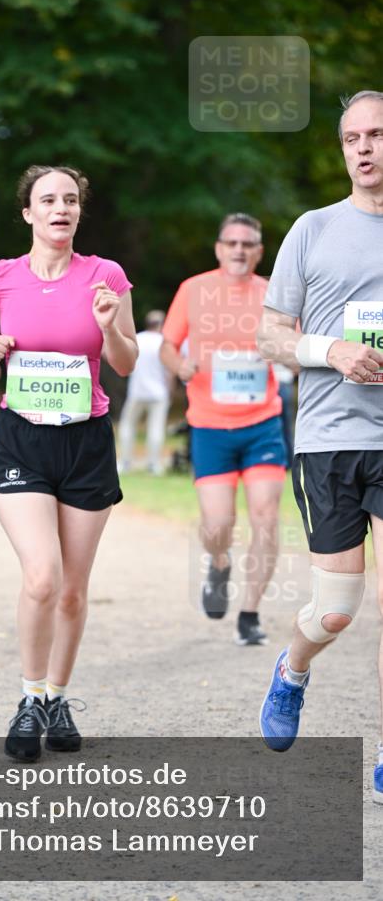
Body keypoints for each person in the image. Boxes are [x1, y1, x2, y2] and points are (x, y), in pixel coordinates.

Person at [0, 165, 137, 761]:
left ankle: (58, 695)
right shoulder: (0, 278)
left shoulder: (104, 276)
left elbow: (128, 361)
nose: (60, 208)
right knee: (42, 576)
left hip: (85, 441)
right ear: (28, 213)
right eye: (47, 200)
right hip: (22, 440)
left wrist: (110, 327)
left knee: (72, 590)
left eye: (70, 199)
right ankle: (30, 698)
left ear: (78, 212)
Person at [257, 91, 383, 805]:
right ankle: (293, 668)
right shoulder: (312, 229)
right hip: (330, 440)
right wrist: (329, 349)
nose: (362, 148)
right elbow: (268, 334)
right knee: (335, 607)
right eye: (350, 138)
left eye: (374, 135)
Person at [161, 213, 288, 647]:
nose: (238, 250)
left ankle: (249, 614)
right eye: (231, 242)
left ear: (259, 251)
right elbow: (166, 345)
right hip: (210, 425)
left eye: (247, 243)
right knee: (218, 525)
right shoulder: (193, 290)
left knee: (267, 516)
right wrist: (180, 365)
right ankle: (218, 564)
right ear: (218, 248)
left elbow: (293, 346)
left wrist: (289, 358)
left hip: (262, 424)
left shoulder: (274, 294)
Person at [117, 310, 173, 474]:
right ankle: (153, 464)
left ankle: (125, 462)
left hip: (137, 391)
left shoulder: (138, 339)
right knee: (156, 428)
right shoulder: (163, 342)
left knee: (127, 425)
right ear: (161, 324)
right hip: (159, 392)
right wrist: (169, 391)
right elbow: (169, 371)